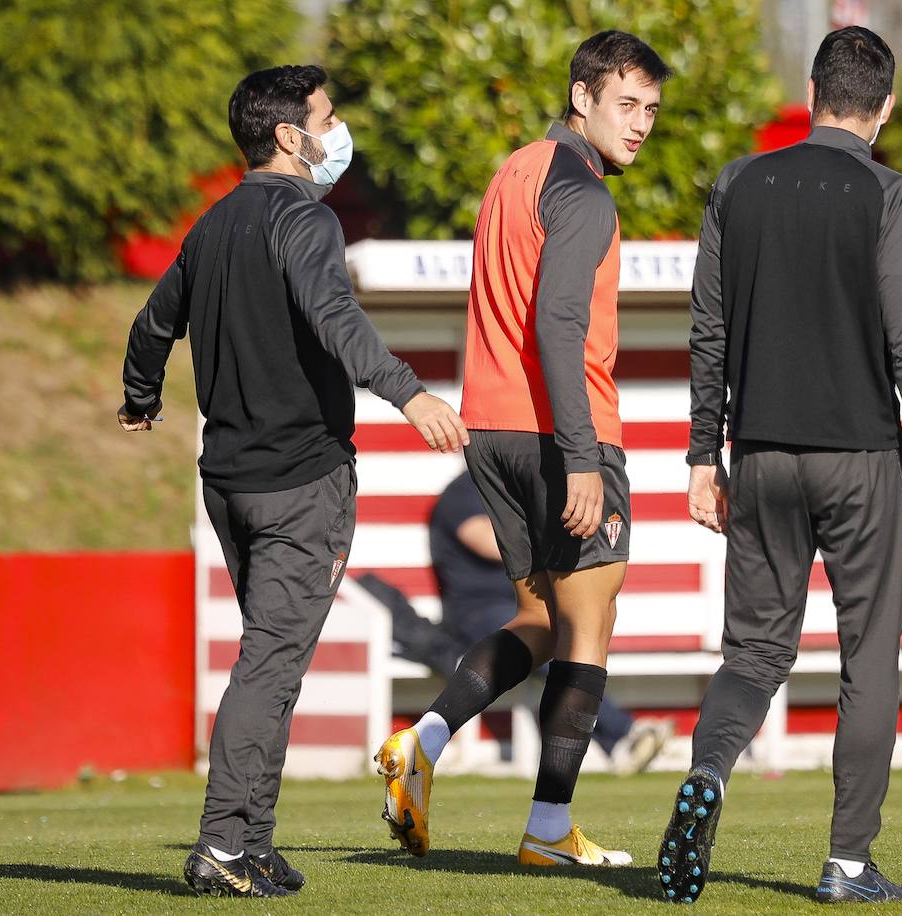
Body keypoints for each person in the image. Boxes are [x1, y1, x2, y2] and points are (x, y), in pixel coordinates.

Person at [658, 27, 902, 905]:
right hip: (863, 464)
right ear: (883, 107)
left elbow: (708, 335)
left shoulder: (736, 184)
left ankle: (711, 772)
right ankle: (847, 864)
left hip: (761, 457)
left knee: (755, 652)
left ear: (812, 90)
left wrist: (702, 453)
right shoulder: (890, 195)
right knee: (867, 659)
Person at [118, 64, 468, 898]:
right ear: (290, 135)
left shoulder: (210, 227)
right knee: (270, 668)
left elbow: (151, 324)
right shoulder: (302, 220)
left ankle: (254, 842)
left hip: (228, 485)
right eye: (328, 116)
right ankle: (219, 845)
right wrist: (409, 392)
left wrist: (139, 399)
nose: (337, 128)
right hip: (301, 484)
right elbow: (335, 317)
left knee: (271, 664)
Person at [374, 30, 671, 868]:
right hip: (559, 433)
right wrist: (582, 456)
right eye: (626, 104)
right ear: (582, 97)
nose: (641, 123)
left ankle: (423, 741)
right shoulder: (584, 193)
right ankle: (548, 830)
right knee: (590, 625)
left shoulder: (513, 170)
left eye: (651, 108)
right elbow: (558, 323)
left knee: (541, 615)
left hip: (492, 430)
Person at [430, 471, 674, 773]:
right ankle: (621, 734)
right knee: (553, 642)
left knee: (573, 637)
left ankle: (618, 739)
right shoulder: (462, 492)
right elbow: (491, 542)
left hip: (524, 605)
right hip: (477, 611)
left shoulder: (514, 489)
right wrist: (553, 536)